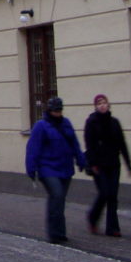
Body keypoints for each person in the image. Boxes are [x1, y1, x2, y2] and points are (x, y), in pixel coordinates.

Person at [26, 96, 86, 244]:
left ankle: (60, 233)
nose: (57, 113)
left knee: (60, 200)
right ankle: (54, 233)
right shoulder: (41, 126)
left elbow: (74, 144)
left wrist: (81, 160)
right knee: (57, 195)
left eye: (59, 110)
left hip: (65, 168)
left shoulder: (66, 124)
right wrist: (31, 169)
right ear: (49, 110)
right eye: (55, 110)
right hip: (47, 168)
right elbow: (33, 149)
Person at [84, 94, 131, 237]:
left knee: (113, 196)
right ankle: (93, 217)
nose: (102, 105)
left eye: (104, 102)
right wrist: (92, 163)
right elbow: (89, 143)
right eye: (99, 103)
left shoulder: (114, 122)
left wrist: (128, 163)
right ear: (96, 106)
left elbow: (122, 144)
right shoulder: (92, 122)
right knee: (105, 193)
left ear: (108, 105)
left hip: (113, 163)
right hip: (99, 165)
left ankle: (113, 228)